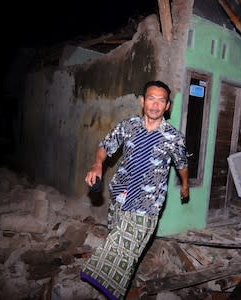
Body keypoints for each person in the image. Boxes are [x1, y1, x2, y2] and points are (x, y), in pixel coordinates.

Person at [80, 80, 189, 300]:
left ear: (167, 106)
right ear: (142, 101)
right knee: (123, 247)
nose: (155, 105)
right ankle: (116, 290)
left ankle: (106, 288)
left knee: (125, 246)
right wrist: (98, 164)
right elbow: (105, 146)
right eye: (151, 98)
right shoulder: (128, 126)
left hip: (148, 203)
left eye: (161, 101)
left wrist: (185, 185)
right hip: (121, 196)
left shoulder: (174, 138)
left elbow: (182, 164)